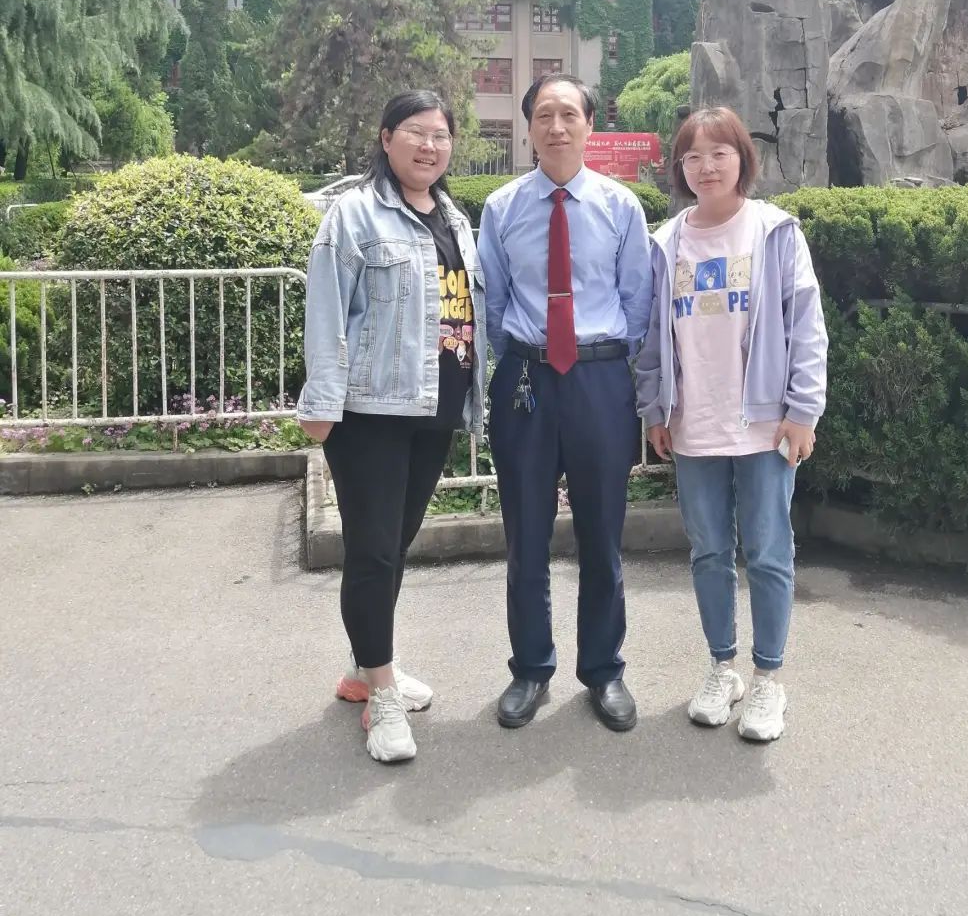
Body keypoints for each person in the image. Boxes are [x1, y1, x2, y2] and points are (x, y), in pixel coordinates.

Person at [297, 90, 486, 764]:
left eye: (441, 135)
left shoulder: (455, 219)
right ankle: (381, 695)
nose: (429, 146)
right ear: (385, 139)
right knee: (374, 553)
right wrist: (322, 401)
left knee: (394, 547)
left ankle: (364, 668)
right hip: (371, 413)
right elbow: (326, 311)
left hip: (433, 409)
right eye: (415, 132)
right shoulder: (353, 215)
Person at [636, 107, 827, 743]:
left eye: (720, 153)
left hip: (764, 425)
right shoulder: (666, 243)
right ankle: (723, 668)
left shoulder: (774, 231)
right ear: (680, 168)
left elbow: (806, 326)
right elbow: (652, 336)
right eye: (692, 156)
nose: (706, 166)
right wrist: (655, 408)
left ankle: (768, 677)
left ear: (743, 159)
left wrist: (803, 411)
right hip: (693, 424)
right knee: (709, 552)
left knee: (769, 552)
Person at [478, 73, 653, 732]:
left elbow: (636, 300)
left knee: (601, 535)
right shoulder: (501, 208)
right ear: (528, 128)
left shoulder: (620, 206)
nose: (556, 126)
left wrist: (597, 361)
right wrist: (524, 358)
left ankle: (604, 670)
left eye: (569, 114)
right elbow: (495, 303)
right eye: (544, 115)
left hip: (599, 381)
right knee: (525, 536)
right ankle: (530, 667)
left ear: (589, 125)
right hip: (526, 380)